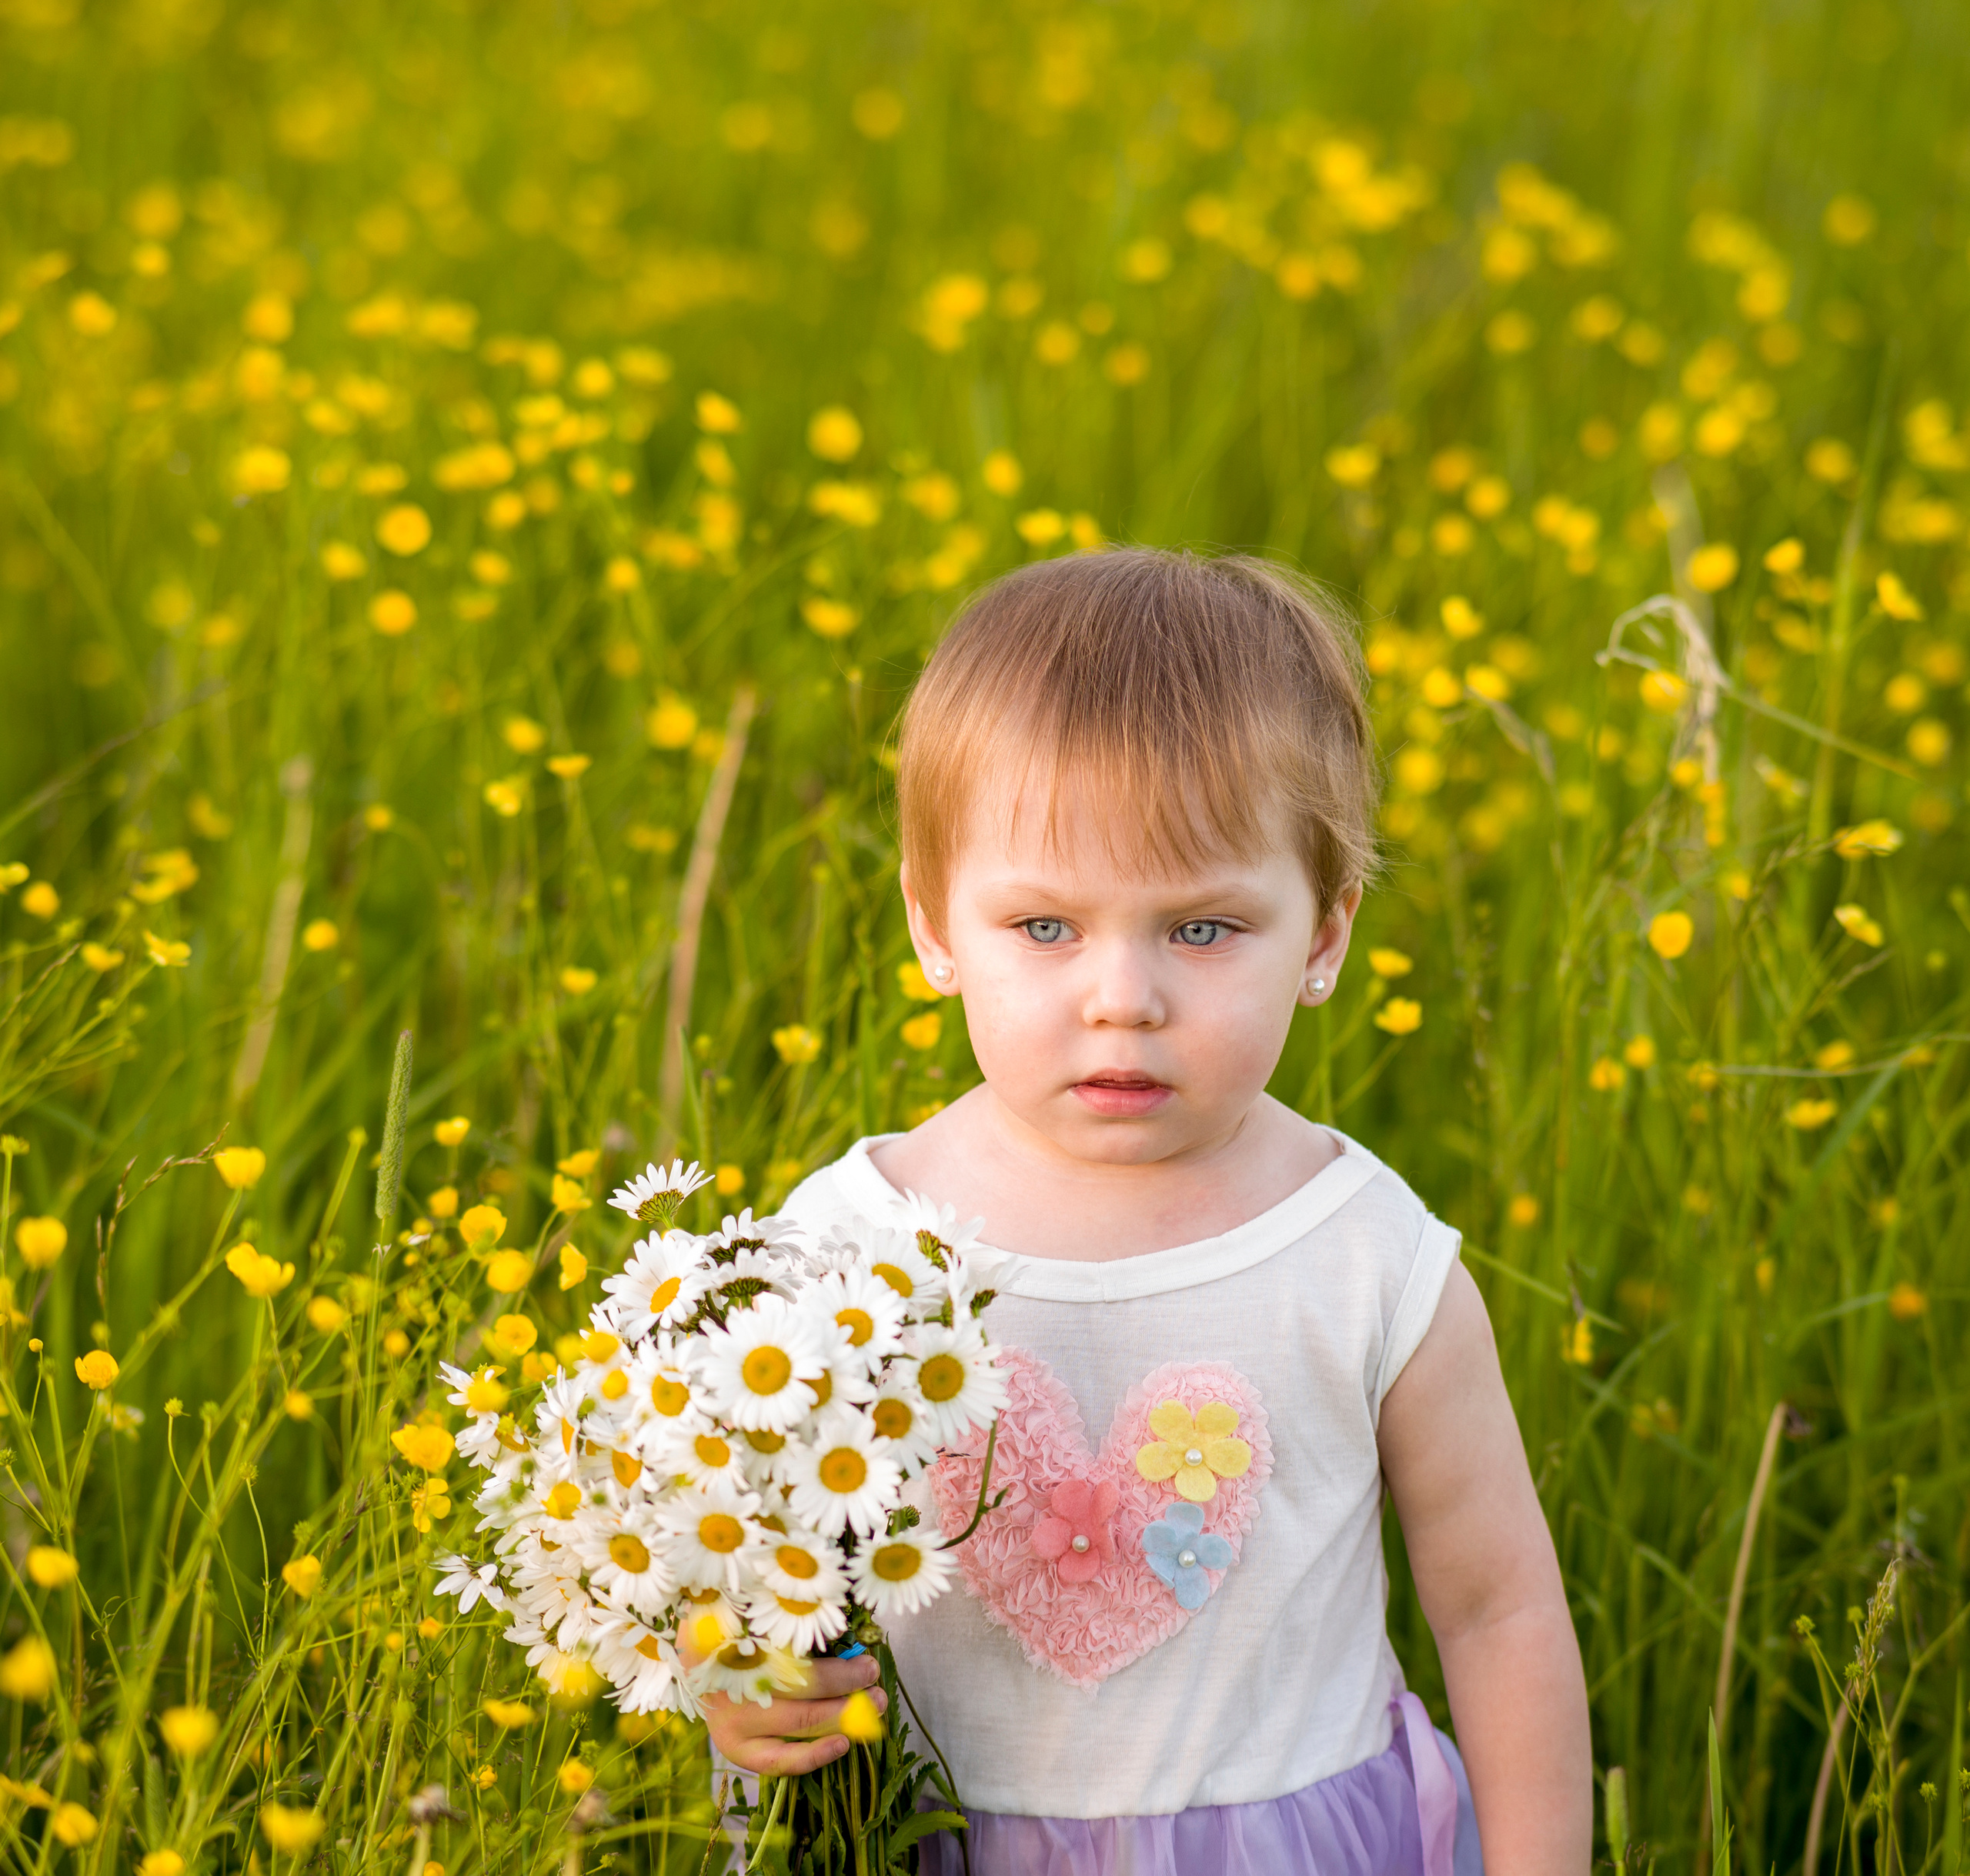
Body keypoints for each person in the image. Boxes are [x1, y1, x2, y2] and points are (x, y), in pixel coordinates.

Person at [706, 547, 1591, 1875]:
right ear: (934, 924)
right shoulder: (844, 1249)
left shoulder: (1363, 1251)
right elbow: (747, 1587)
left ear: (1328, 935)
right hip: (938, 1842)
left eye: (1203, 928)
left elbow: (1498, 1607)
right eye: (1047, 927)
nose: (1122, 995)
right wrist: (740, 1695)